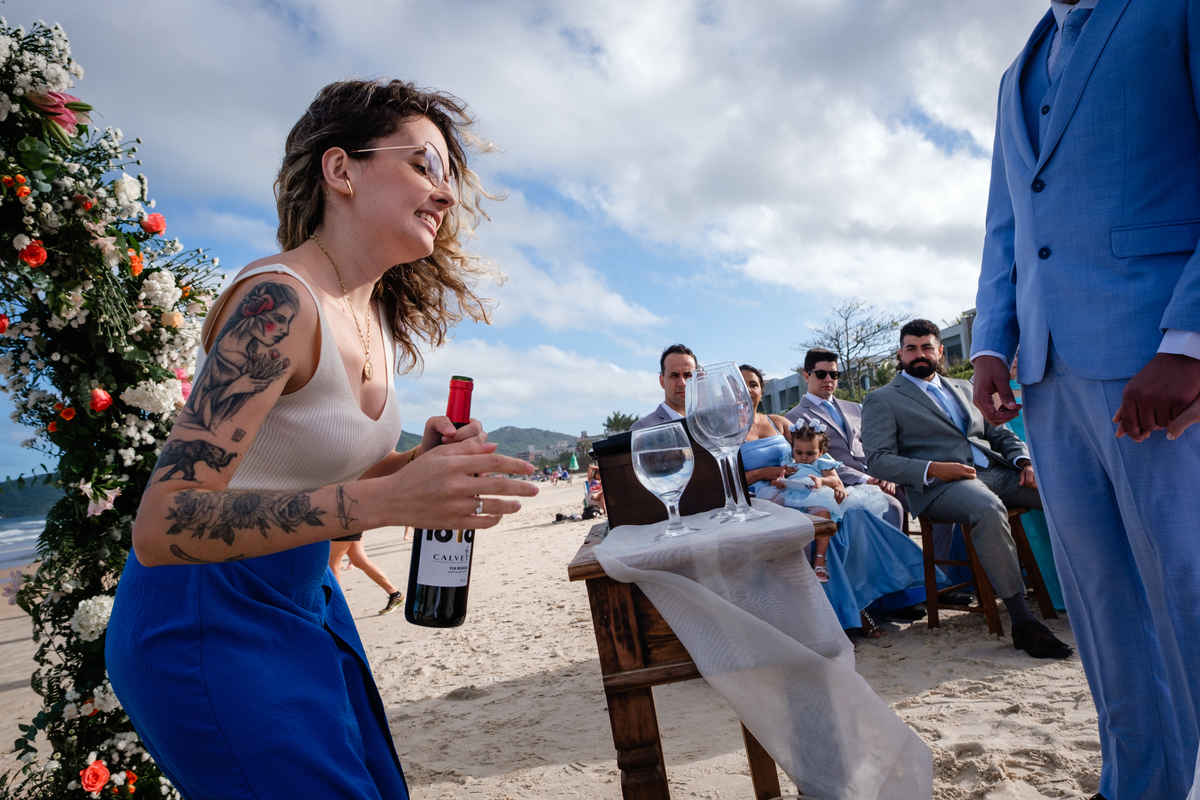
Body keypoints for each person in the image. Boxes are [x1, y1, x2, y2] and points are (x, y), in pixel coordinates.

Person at [104, 79, 538, 799]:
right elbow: (161, 523)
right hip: (203, 619)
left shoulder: (372, 314)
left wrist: (413, 467)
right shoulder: (276, 303)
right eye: (425, 165)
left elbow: (298, 471)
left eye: (450, 179)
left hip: (304, 599)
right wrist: (389, 500)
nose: (446, 194)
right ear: (342, 171)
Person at [971, 3, 1200, 796]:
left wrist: (1189, 340)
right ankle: (1139, 782)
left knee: (1190, 582)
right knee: (1101, 600)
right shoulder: (1015, 72)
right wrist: (994, 342)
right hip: (1045, 373)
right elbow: (1007, 224)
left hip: (1158, 356)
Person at [861, 319, 1070, 660]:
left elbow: (1000, 434)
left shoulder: (963, 387)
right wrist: (935, 470)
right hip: (940, 488)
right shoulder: (882, 399)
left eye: (926, 346)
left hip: (997, 473)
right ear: (900, 353)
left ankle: (1098, 591)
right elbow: (879, 460)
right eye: (911, 348)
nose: (919, 354)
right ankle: (1023, 622)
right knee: (987, 508)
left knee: (1064, 494)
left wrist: (1024, 462)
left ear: (940, 351)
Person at [757, 421, 929, 640]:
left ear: (820, 451)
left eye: (809, 453)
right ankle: (842, 616)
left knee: (851, 521)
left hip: (818, 498)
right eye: (798, 453)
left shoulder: (797, 439)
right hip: (783, 500)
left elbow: (833, 478)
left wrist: (827, 482)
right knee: (812, 530)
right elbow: (777, 480)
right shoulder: (789, 459)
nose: (803, 457)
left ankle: (864, 600)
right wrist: (780, 483)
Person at [785, 348, 906, 530]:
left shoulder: (855, 408)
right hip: (844, 484)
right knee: (893, 507)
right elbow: (812, 461)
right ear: (806, 376)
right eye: (821, 374)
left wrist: (885, 474)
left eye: (833, 374)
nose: (828, 379)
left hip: (878, 475)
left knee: (926, 495)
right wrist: (865, 479)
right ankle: (899, 558)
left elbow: (875, 445)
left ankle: (939, 557)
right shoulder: (795, 418)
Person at [738, 364, 797, 489]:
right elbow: (723, 482)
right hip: (755, 500)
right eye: (740, 385)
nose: (747, 390)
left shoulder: (779, 422)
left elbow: (812, 449)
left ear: (761, 394)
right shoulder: (724, 433)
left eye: (753, 385)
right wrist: (760, 474)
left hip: (793, 488)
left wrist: (832, 477)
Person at [328, 532, 404, 615]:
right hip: (350, 523)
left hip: (343, 524)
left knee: (332, 564)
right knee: (359, 561)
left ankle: (334, 604)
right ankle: (396, 595)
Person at [630, 344, 697, 430]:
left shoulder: (708, 424)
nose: (682, 383)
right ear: (662, 381)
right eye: (674, 375)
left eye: (688, 375)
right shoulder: (643, 428)